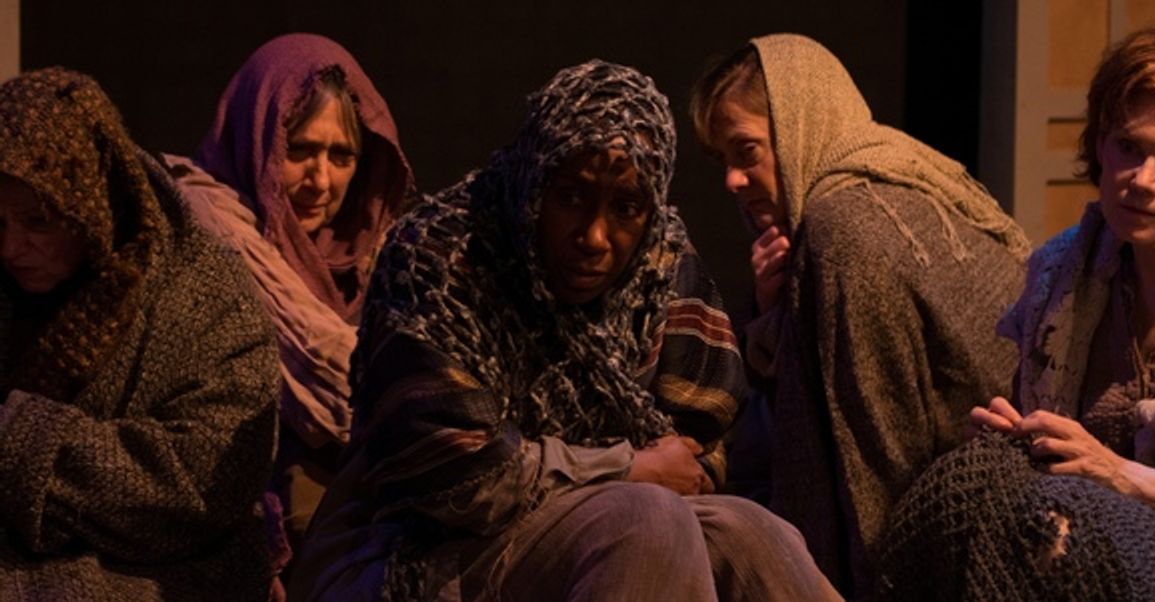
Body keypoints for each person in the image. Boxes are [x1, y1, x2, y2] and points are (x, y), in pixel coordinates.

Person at [290, 60, 841, 601]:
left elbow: (699, 439)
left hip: (595, 515)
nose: (596, 237)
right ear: (535, 183)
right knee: (645, 520)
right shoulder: (443, 257)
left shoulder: (659, 262)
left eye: (626, 208)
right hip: (416, 543)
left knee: (754, 534)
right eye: (572, 197)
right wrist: (625, 467)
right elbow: (450, 468)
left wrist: (652, 471)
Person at [690, 33, 1031, 595]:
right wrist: (775, 320)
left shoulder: (845, 225)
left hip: (970, 535)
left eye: (746, 152)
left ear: (802, 126)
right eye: (722, 160)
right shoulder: (903, 172)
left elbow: (872, 465)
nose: (730, 180)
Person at [880, 27, 1155, 601]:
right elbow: (1056, 446)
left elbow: (1102, 473)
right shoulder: (1059, 272)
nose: (1142, 180)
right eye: (1129, 147)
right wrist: (1024, 434)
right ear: (1100, 144)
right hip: (1071, 537)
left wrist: (1118, 473)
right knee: (971, 485)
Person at [0, 68, 277, 600]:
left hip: (171, 571)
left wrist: (20, 442)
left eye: (38, 221)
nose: (12, 249)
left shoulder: (204, 295)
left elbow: (203, 482)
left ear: (94, 205)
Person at [163, 33, 414, 589]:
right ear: (258, 136)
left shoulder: (366, 253)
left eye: (341, 156)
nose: (320, 181)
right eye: (298, 149)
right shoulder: (208, 219)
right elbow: (333, 376)